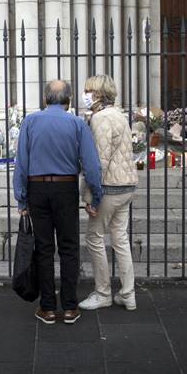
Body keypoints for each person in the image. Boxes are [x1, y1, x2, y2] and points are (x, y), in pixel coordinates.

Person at [13, 80, 103, 325]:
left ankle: (48, 307)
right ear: (69, 100)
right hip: (65, 187)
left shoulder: (30, 122)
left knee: (43, 248)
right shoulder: (76, 124)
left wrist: (21, 197)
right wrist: (96, 195)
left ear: (45, 100)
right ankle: (71, 306)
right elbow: (92, 166)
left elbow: (21, 162)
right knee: (69, 247)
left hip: (37, 187)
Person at [79, 75, 138, 311]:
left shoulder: (101, 119)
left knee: (94, 237)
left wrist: (90, 196)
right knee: (120, 238)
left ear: (98, 94)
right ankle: (128, 294)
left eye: (88, 90)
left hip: (110, 188)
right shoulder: (119, 115)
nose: (85, 94)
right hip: (126, 185)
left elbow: (98, 162)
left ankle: (103, 293)